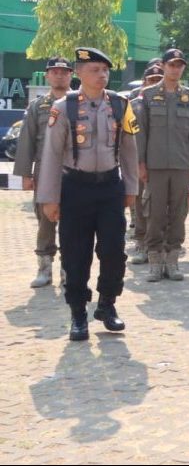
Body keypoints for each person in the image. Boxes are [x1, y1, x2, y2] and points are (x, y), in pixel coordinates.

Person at [36, 47, 139, 340]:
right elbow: (52, 154)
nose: (102, 75)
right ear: (79, 73)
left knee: (114, 250)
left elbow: (129, 150)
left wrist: (131, 188)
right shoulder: (63, 107)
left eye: (105, 70)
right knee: (75, 254)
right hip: (75, 189)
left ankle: (107, 304)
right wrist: (49, 198)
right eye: (95, 70)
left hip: (109, 188)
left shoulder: (120, 104)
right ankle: (78, 313)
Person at [137, 48, 189, 282]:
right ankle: (155, 261)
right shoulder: (147, 95)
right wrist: (140, 163)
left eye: (179, 65)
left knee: (179, 214)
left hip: (181, 165)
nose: (176, 69)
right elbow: (141, 132)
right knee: (154, 214)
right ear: (164, 66)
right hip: (155, 165)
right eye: (172, 65)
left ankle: (173, 260)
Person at [15, 56, 73, 288]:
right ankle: (44, 269)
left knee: (73, 223)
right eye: (55, 72)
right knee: (45, 222)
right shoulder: (37, 106)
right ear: (48, 76)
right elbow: (27, 141)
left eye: (64, 72)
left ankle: (69, 270)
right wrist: (26, 175)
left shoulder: (79, 102)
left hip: (73, 172)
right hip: (44, 171)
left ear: (71, 75)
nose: (59, 76)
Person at [128, 63, 164, 263]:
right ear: (144, 82)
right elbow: (127, 134)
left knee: (162, 205)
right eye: (151, 80)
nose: (155, 83)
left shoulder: (170, 101)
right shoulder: (134, 103)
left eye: (158, 80)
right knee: (141, 204)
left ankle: (160, 245)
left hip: (162, 160)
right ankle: (142, 243)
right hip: (139, 160)